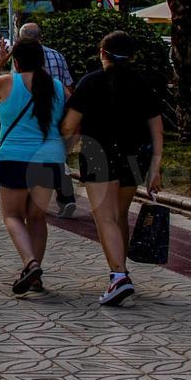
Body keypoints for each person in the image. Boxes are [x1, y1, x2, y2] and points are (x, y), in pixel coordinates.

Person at [61, 31, 165, 307]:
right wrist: (155, 167)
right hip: (133, 158)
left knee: (104, 218)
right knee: (119, 216)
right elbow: (157, 129)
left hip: (98, 155)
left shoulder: (90, 83)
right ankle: (123, 270)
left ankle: (118, 276)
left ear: (103, 54)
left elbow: (70, 125)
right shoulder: (141, 84)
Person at [0, 38, 70, 296]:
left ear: (16, 61)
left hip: (14, 157)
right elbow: (73, 120)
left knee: (13, 216)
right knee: (37, 217)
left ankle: (30, 264)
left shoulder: (8, 82)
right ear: (42, 59)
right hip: (49, 158)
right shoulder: (58, 88)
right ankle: (35, 276)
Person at [18, 22, 79, 219]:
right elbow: (69, 85)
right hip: (57, 113)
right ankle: (66, 197)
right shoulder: (57, 55)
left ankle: (34, 198)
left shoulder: (21, 57)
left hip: (31, 117)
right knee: (59, 158)